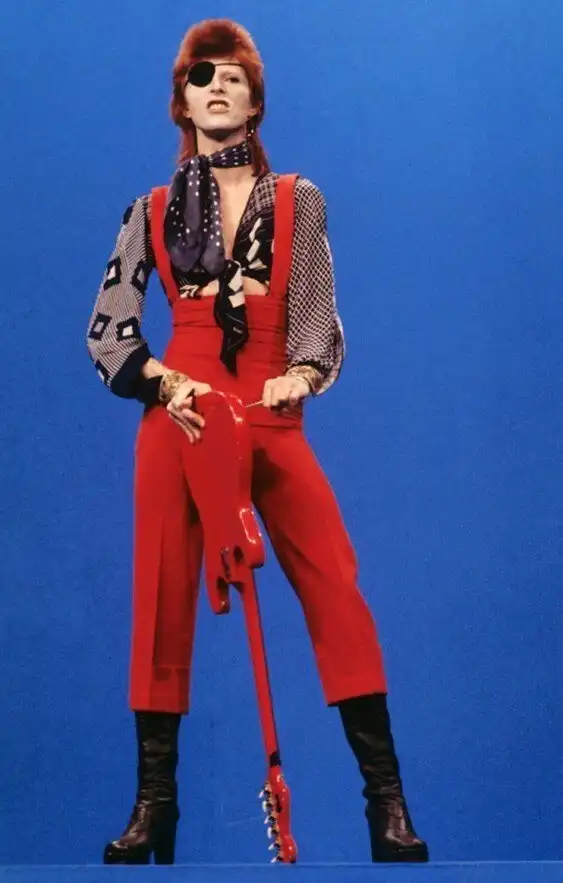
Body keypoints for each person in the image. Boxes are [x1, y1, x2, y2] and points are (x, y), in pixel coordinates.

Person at [87, 18, 429, 865]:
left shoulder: (297, 199)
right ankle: (154, 805)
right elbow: (108, 331)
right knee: (159, 597)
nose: (216, 87)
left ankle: (386, 802)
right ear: (181, 100)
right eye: (200, 76)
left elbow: (316, 313)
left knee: (334, 584)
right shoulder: (150, 210)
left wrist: (302, 374)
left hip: (270, 414)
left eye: (232, 76)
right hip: (182, 416)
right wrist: (166, 383)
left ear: (254, 99)